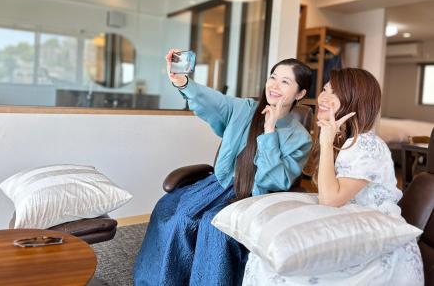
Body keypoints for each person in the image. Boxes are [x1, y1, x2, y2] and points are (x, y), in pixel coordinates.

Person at [133, 49, 313, 285]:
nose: (275, 85)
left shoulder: (301, 138)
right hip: (221, 184)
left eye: (285, 81)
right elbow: (212, 100)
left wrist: (269, 131)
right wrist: (184, 83)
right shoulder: (244, 109)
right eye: (273, 77)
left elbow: (276, 181)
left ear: (300, 93)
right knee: (176, 214)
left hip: (254, 196)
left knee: (213, 226)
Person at [243, 68, 424, 285]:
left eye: (335, 94)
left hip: (376, 240)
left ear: (355, 102)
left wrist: (326, 142)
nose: (323, 98)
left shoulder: (366, 143)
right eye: (325, 89)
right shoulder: (343, 139)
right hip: (349, 221)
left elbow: (330, 199)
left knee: (281, 271)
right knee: (268, 253)